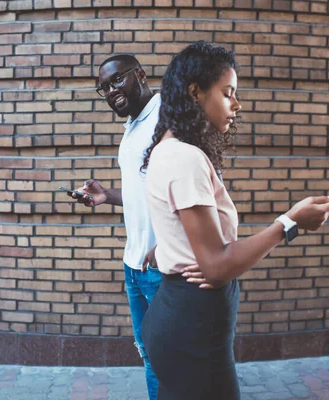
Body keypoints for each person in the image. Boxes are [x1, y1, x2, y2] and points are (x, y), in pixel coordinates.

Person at [141, 41, 329, 399]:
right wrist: (290, 222)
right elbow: (216, 267)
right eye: (228, 93)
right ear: (195, 93)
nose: (237, 104)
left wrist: (171, 247)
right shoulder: (184, 158)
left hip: (185, 324)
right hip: (192, 334)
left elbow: (183, 226)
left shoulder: (170, 149)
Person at [67, 54, 206, 399]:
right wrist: (107, 196)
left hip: (164, 268)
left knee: (173, 360)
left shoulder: (168, 117)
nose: (110, 91)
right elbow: (145, 193)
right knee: (150, 357)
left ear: (140, 75)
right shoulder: (131, 127)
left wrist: (171, 245)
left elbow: (199, 185)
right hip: (134, 266)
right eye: (104, 88)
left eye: (116, 81)